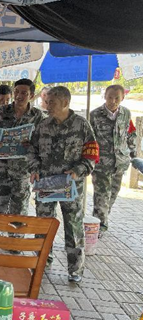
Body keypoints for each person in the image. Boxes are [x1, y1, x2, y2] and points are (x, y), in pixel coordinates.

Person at [28, 86, 98, 283]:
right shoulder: (43, 125)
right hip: (46, 185)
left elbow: (92, 155)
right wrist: (34, 169)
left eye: (53, 103)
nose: (48, 106)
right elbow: (32, 150)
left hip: (71, 187)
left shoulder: (82, 125)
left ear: (66, 103)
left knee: (73, 227)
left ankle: (75, 270)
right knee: (43, 225)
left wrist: (78, 171)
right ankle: (41, 263)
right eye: (47, 102)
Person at [0, 79, 45, 216]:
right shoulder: (0, 111)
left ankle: (16, 237)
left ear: (31, 96)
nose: (19, 96)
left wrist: (32, 144)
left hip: (22, 172)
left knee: (19, 213)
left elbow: (43, 141)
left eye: (24, 93)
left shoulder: (38, 116)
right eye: (16, 92)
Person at [90, 85, 137, 237]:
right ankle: (100, 226)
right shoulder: (95, 115)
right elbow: (89, 137)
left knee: (113, 194)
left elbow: (131, 134)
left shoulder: (125, 113)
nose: (113, 101)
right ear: (105, 96)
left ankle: (99, 219)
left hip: (120, 162)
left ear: (122, 98)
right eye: (110, 97)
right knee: (101, 195)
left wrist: (132, 152)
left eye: (117, 98)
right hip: (101, 163)